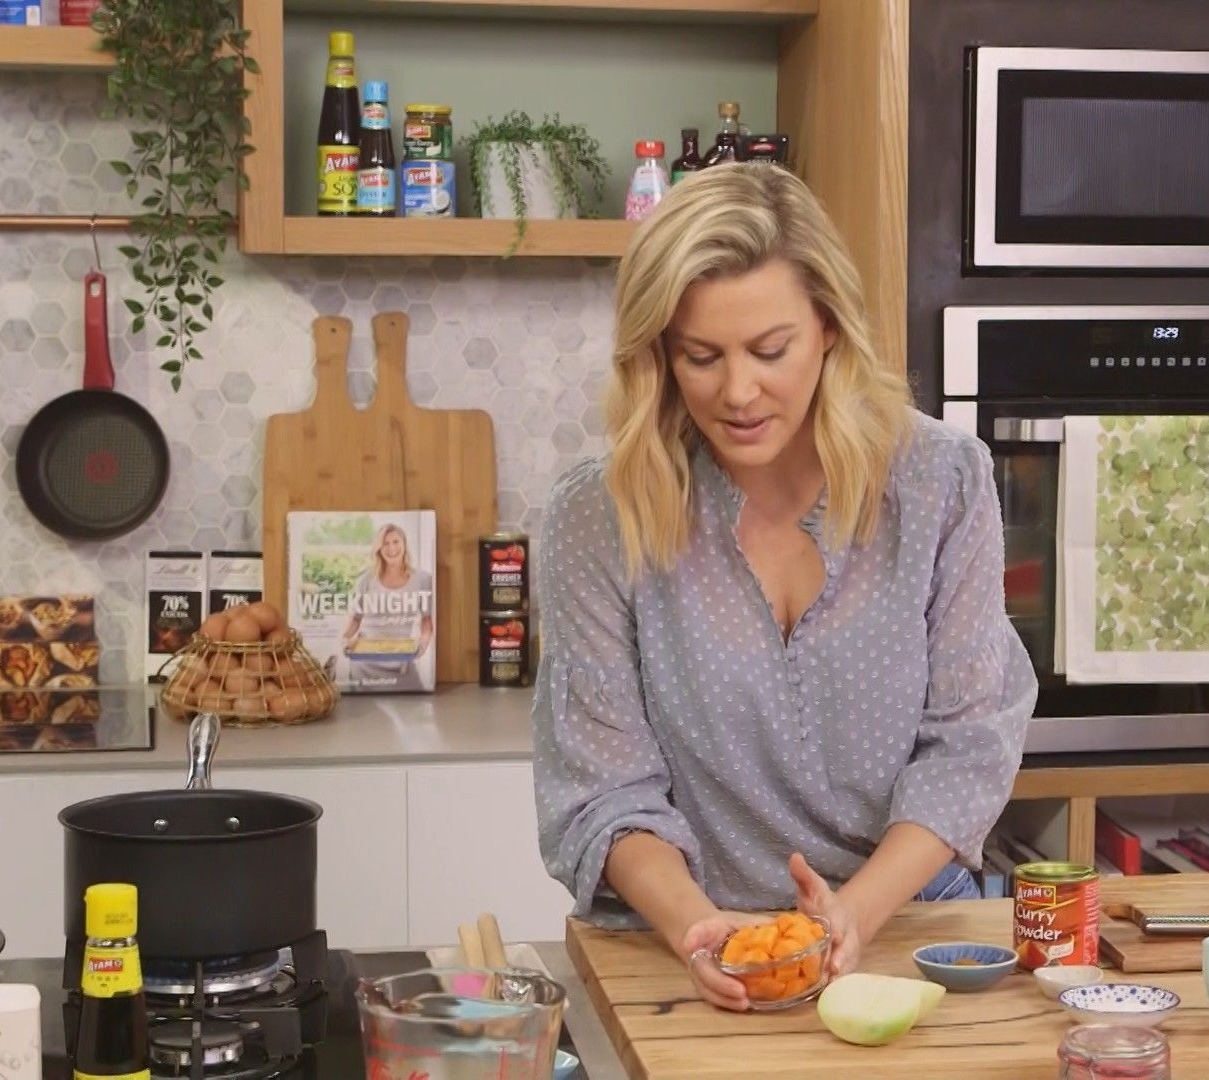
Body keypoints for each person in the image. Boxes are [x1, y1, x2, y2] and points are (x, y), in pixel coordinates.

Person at [532, 163, 1038, 1011]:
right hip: (686, 943)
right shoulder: (600, 515)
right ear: (658, 354)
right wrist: (700, 928)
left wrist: (852, 915)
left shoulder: (942, 483)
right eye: (701, 357)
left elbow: (970, 744)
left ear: (829, 328)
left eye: (771, 351)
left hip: (909, 925)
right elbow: (604, 787)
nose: (738, 393)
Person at [341, 522, 434, 691]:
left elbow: (427, 619)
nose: (391, 548)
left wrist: (423, 644)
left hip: (402, 661)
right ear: (379, 548)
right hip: (364, 663)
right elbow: (355, 618)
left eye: (396, 542)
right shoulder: (365, 580)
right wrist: (344, 639)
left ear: (404, 544)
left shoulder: (423, 579)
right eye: (385, 543)